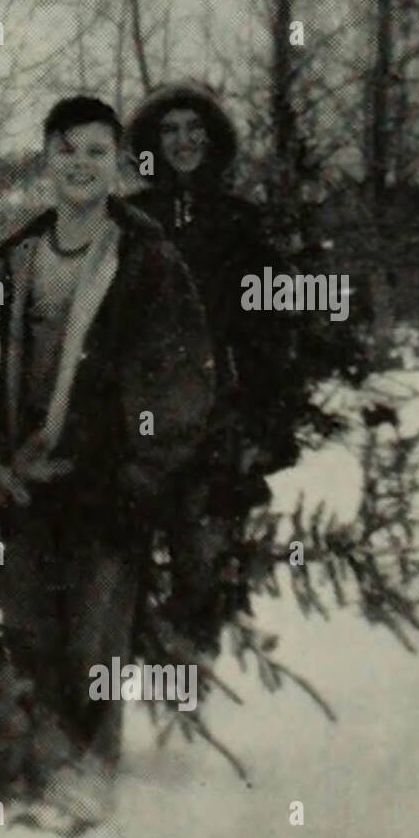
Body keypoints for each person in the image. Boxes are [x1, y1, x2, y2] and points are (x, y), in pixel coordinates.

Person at [0, 96, 214, 837]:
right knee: (28, 627)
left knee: (93, 638)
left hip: (107, 483)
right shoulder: (19, 253)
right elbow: (5, 374)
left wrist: (141, 478)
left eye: (95, 151)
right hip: (29, 478)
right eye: (66, 149)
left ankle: (88, 773)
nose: (80, 164)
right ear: (45, 158)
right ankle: (45, 765)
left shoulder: (147, 257)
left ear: (117, 161)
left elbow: (181, 382)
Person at [125, 81, 302, 654]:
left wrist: (268, 422)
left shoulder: (239, 226)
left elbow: (271, 337)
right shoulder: (126, 224)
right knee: (114, 572)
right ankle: (110, 711)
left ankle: (189, 707)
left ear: (213, 140)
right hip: (136, 426)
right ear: (152, 142)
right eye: (170, 130)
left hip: (213, 424)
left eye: (194, 130)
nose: (182, 142)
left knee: (201, 567)